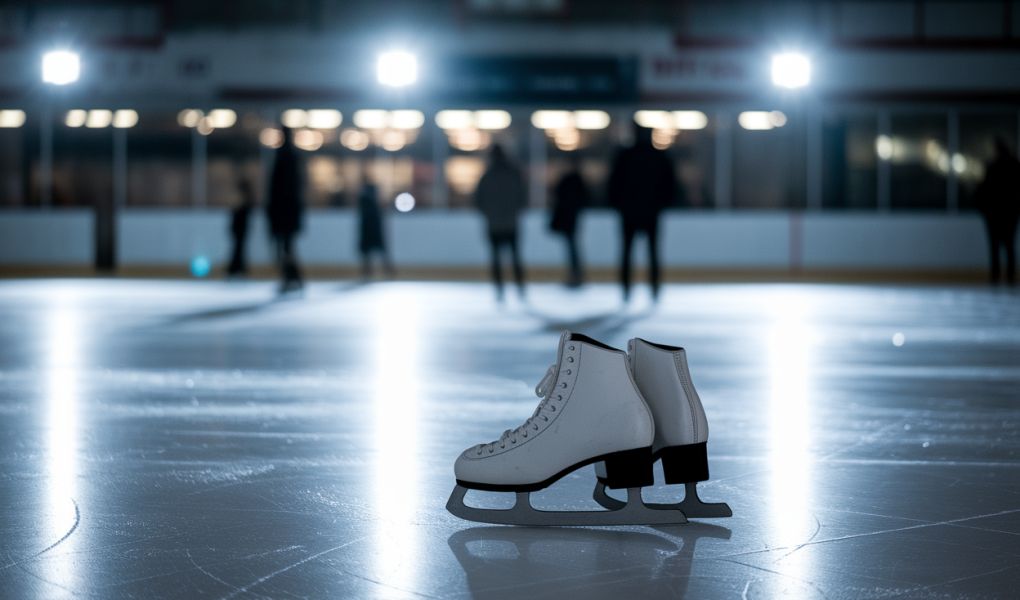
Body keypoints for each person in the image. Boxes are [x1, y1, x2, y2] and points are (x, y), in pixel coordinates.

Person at [608, 124, 676, 301]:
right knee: (651, 252)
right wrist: (660, 205)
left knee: (628, 252)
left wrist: (619, 205)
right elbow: (670, 185)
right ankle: (653, 288)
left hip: (631, 212)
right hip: (649, 213)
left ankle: (627, 289)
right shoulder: (658, 156)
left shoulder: (625, 156)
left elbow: (614, 184)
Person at [476, 144, 527, 301]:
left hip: (494, 225)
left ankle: (499, 289)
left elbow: (478, 200)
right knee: (515, 257)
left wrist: (489, 214)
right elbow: (523, 197)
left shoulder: (487, 176)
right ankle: (520, 287)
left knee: (496, 259)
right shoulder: (513, 173)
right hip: (511, 223)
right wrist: (514, 211)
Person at [974, 137, 1020, 286]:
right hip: (1009, 213)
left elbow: (984, 189)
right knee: (1008, 245)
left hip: (995, 214)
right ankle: (1009, 276)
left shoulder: (994, 167)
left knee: (995, 246)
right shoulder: (1014, 166)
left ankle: (996, 276)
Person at [267, 127, 304, 292]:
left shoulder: (283, 158)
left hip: (284, 212)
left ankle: (292, 278)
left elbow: (278, 189)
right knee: (287, 247)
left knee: (286, 247)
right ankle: (293, 278)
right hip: (288, 212)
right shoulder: (291, 158)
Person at [550, 162, 589, 287]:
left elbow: (558, 195)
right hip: (572, 219)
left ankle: (576, 276)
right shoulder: (577, 183)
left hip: (568, 219)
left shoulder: (568, 182)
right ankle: (576, 275)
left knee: (572, 247)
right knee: (572, 247)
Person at [358, 166, 394, 280]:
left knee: (376, 251)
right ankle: (369, 273)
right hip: (368, 226)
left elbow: (382, 206)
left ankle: (387, 273)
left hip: (373, 226)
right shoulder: (366, 192)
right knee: (370, 252)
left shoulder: (369, 192)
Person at [227, 179, 255, 277]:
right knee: (238, 249)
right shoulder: (244, 201)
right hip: (239, 229)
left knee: (239, 249)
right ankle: (236, 268)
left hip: (241, 229)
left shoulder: (244, 201)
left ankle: (236, 269)